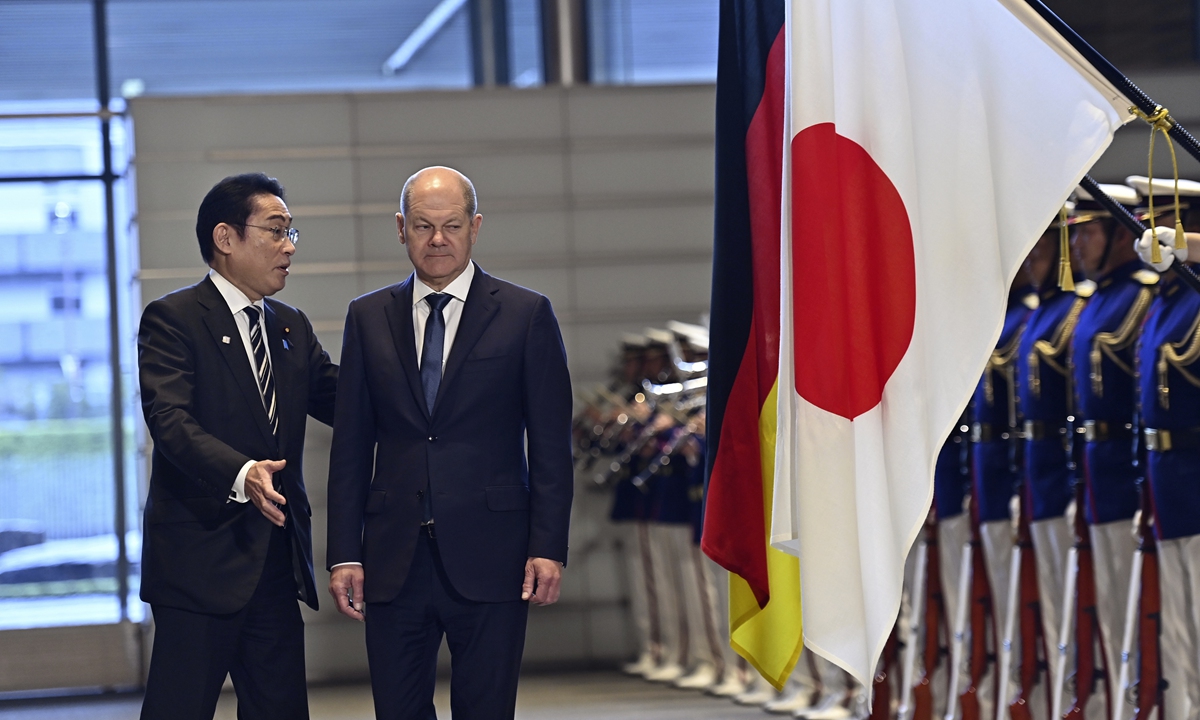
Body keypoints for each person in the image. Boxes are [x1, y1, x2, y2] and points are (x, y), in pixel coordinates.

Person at [326, 166, 574, 720]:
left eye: (452, 225)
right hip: (392, 561)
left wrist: (548, 546)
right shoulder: (367, 317)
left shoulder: (526, 314)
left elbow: (552, 446)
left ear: (476, 226)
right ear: (400, 228)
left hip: (496, 557)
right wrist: (344, 551)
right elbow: (351, 446)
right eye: (422, 226)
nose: (437, 239)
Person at [137, 173, 338, 719]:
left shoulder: (290, 326)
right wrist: (242, 471)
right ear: (225, 238)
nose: (289, 246)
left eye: (291, 231)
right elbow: (170, 421)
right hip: (198, 567)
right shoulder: (173, 318)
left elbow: (342, 401)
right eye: (275, 231)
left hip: (274, 564)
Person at [1067, 182, 1152, 719]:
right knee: (1107, 606)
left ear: (1121, 235)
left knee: (1139, 611)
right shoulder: (1098, 301)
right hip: (1094, 475)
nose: (1078, 247)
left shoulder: (1141, 296)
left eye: (1090, 233)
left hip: (1128, 475)